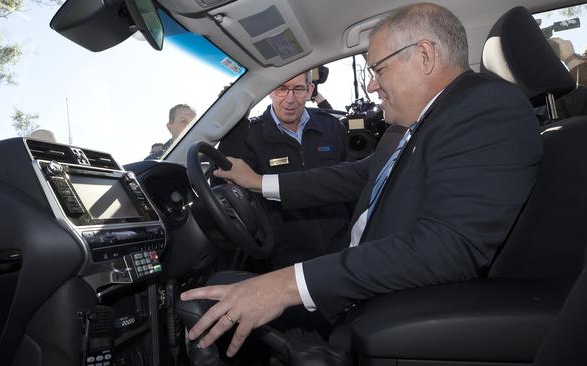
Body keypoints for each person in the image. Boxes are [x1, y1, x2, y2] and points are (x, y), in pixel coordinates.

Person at [181, 2, 542, 358]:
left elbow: (447, 246)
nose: (371, 85)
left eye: (379, 69)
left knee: (209, 300)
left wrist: (288, 285)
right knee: (220, 290)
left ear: (425, 56)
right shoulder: (414, 125)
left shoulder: (485, 108)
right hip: (360, 281)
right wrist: (260, 183)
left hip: (385, 308)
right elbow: (354, 176)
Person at [241, 72, 352, 270]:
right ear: (270, 92)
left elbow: (351, 183)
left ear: (310, 90)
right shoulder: (251, 135)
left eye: (298, 89)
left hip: (340, 249)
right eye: (282, 88)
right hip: (286, 259)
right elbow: (229, 185)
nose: (290, 99)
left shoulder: (331, 126)